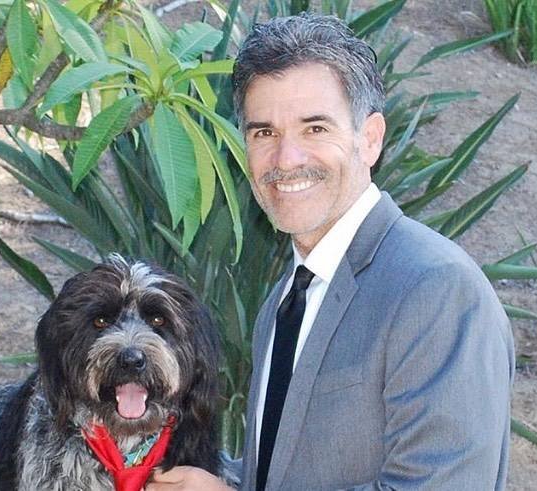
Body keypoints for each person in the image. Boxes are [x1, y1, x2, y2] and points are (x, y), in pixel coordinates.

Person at [147, 13, 514, 491]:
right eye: (264, 133)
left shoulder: (436, 288)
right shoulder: (286, 299)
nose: (286, 159)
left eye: (315, 129)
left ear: (370, 138)